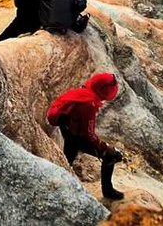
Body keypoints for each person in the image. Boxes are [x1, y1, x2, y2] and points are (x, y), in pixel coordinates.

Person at [47, 72, 124, 201]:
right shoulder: (89, 105)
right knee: (110, 155)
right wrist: (105, 147)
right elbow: (89, 134)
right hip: (76, 136)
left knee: (67, 159)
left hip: (68, 129)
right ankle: (108, 191)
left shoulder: (84, 91)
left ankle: (59, 186)